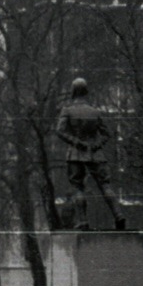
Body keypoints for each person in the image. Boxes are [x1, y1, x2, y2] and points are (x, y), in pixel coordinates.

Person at [55, 77, 118, 229]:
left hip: (76, 154)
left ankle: (83, 221)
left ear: (73, 91)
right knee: (105, 185)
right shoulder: (95, 111)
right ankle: (119, 215)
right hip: (96, 154)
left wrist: (76, 143)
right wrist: (96, 145)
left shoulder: (67, 110)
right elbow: (107, 133)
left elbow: (60, 130)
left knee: (77, 187)